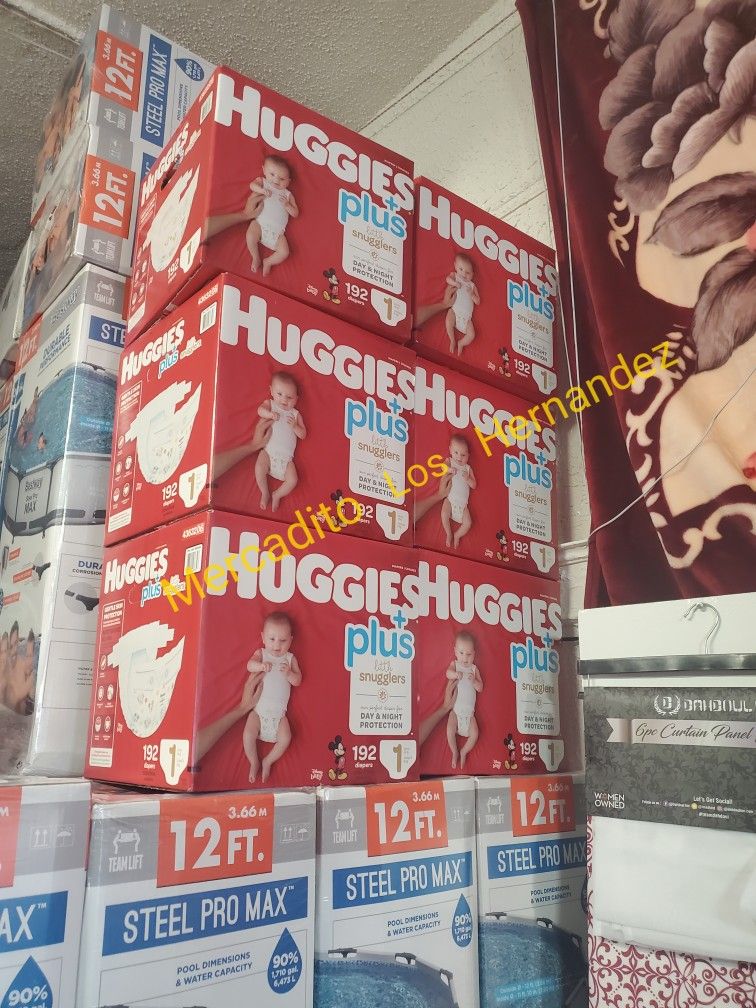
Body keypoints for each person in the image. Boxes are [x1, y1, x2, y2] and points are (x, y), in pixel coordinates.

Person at [243, 612, 302, 783]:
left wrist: (289, 674)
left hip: (279, 717)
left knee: (286, 738)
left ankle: (268, 761)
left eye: (283, 640)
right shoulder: (261, 654)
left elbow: (298, 680)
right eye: (272, 639)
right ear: (263, 638)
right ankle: (254, 761)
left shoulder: (290, 659)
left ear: (290, 640)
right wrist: (260, 666)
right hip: (258, 713)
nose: (277, 645)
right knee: (248, 735)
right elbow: (249, 665)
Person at [255, 372, 306, 511]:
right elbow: (260, 410)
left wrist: (295, 427)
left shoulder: (295, 414)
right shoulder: (271, 404)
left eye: (289, 397)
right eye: (279, 394)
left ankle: (277, 494)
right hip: (268, 452)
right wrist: (270, 414)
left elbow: (303, 434)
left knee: (293, 480)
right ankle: (265, 491)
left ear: (296, 399)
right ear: (271, 391)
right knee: (259, 467)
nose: (284, 400)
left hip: (286, 460)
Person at [246, 155, 299, 276]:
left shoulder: (287, 194)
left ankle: (268, 262)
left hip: (277, 233)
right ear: (264, 170)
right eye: (272, 174)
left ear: (289, 181)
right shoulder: (263, 182)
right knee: (250, 236)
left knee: (284, 252)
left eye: (282, 179)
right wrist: (261, 190)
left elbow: (295, 213)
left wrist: (287, 205)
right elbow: (252, 185)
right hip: (260, 224)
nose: (276, 180)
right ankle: (256, 257)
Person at [445, 631, 483, 769]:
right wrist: (455, 674)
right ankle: (454, 751)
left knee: (475, 733)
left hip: (469, 716)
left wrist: (474, 682)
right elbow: (447, 673)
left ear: (474, 654)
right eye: (461, 653)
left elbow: (480, 688)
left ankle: (464, 751)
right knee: (450, 730)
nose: (465, 658)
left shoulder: (474, 669)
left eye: (469, 654)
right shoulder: (455, 664)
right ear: (455, 651)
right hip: (455, 712)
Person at [442, 435, 476, 549]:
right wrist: (449, 469)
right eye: (456, 452)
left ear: (468, 456)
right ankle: (449, 533)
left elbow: (474, 485)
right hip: (450, 500)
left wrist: (468, 479)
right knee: (444, 514)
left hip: (463, 506)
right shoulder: (450, 461)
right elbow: (443, 468)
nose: (459, 457)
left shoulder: (468, 468)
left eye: (463, 455)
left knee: (468, 523)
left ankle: (457, 535)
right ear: (450, 450)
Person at [445, 254, 480, 355]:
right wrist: (455, 283)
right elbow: (448, 279)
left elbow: (478, 301)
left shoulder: (472, 285)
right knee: (448, 320)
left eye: (468, 272)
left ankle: (461, 343)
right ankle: (452, 339)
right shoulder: (455, 276)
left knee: (472, 335)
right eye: (461, 269)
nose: (464, 274)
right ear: (455, 266)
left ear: (472, 274)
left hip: (466, 319)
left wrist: (472, 294)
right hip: (455, 311)